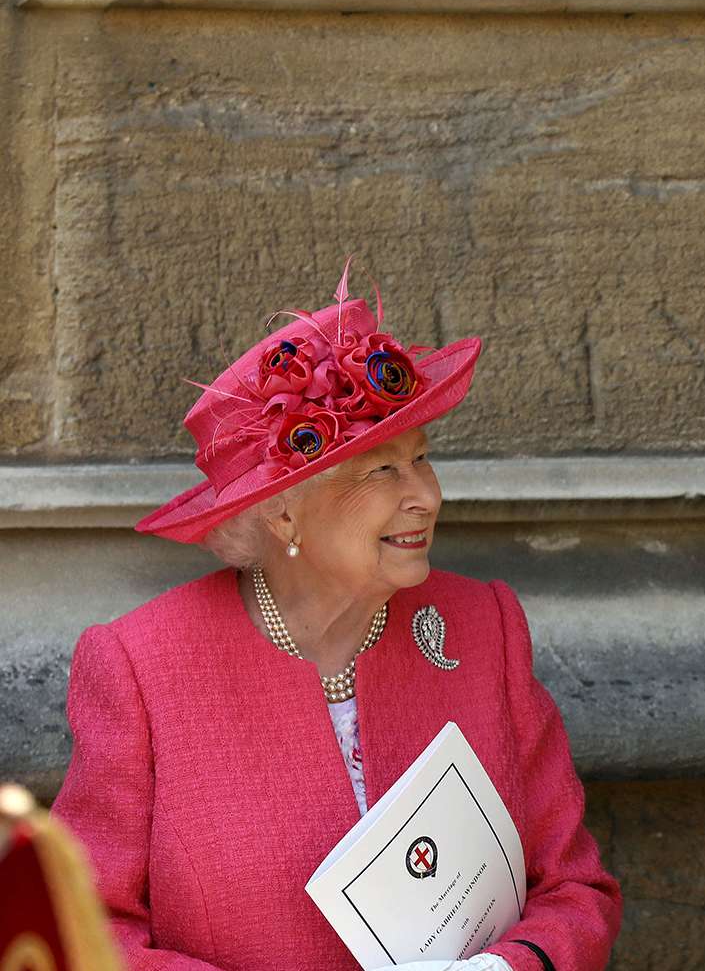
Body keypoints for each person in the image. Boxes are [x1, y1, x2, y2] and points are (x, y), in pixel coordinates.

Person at [52, 262, 622, 971]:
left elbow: (575, 890)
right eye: (382, 471)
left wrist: (502, 969)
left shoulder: (484, 626)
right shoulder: (141, 668)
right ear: (283, 508)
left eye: (422, 459)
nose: (426, 496)